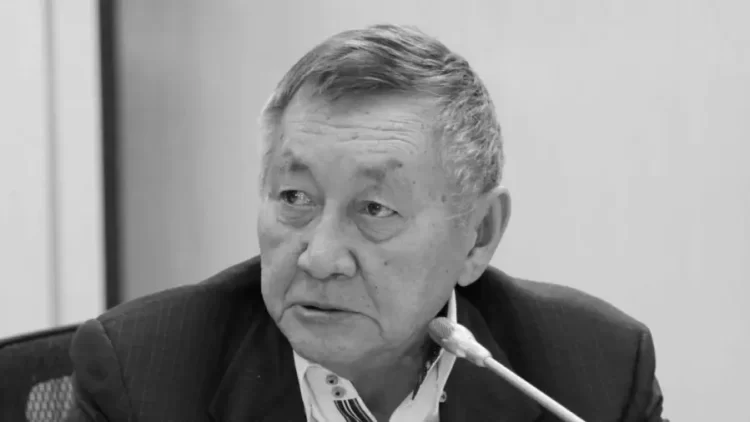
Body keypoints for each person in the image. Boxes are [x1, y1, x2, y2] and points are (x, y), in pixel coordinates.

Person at [66, 24, 666, 422]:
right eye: (295, 197)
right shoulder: (141, 378)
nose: (319, 257)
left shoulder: (595, 372)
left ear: (478, 235)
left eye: (375, 209)